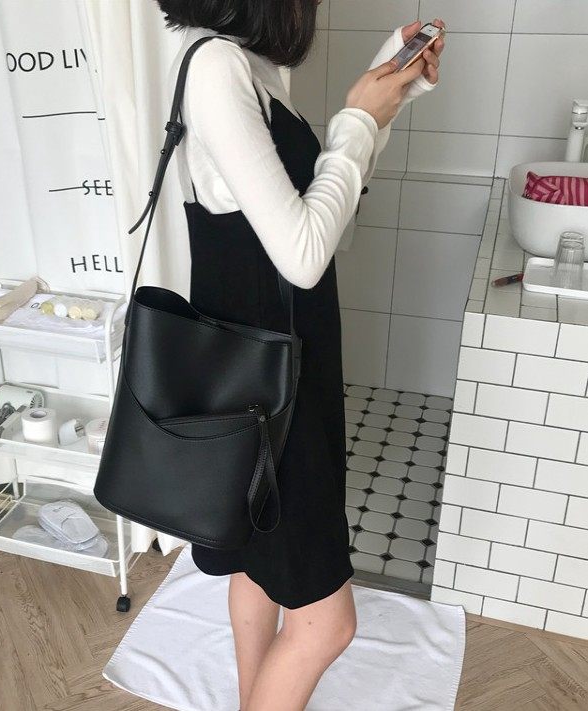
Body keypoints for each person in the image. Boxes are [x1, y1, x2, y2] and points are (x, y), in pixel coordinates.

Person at [156, 2, 445, 709]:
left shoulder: (246, 64)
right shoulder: (218, 66)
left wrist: (384, 100)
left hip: (268, 371)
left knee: (256, 569)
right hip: (267, 391)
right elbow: (305, 255)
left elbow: (323, 219)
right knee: (326, 624)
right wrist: (357, 119)